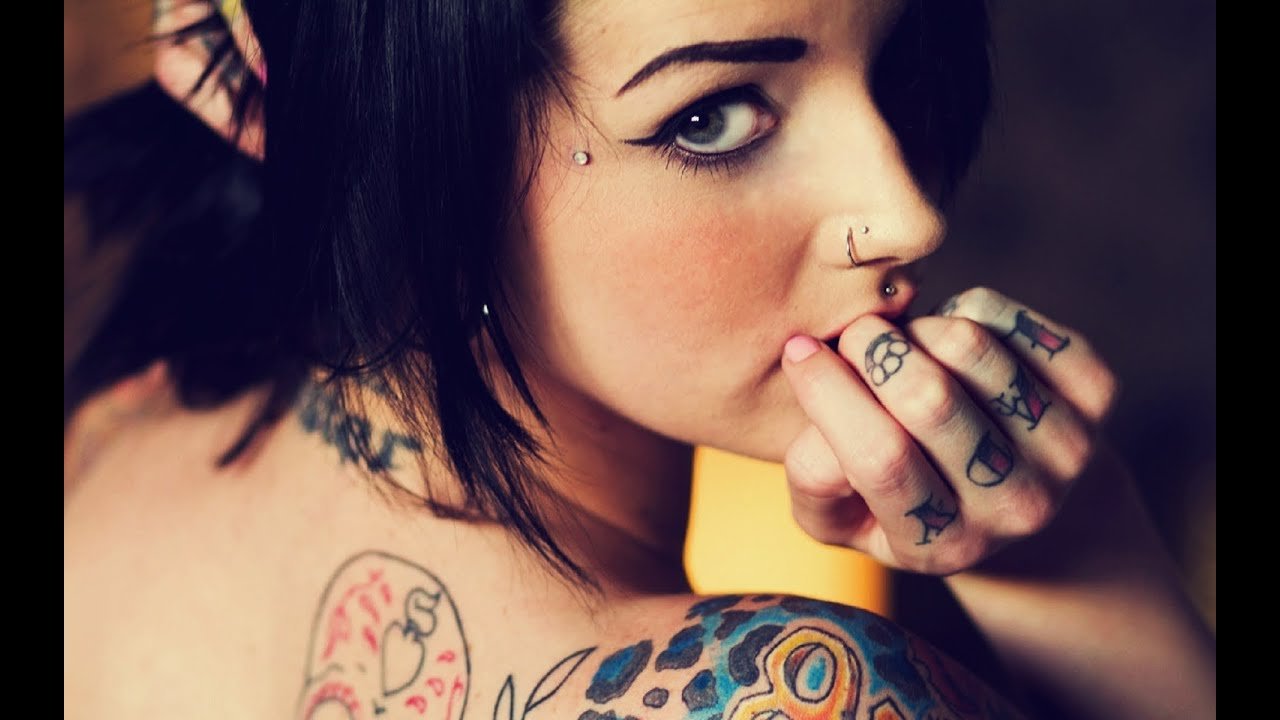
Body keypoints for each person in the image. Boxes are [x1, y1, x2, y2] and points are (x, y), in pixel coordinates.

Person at [63, 0, 1215, 718]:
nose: (905, 213)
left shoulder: (114, 440)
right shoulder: (783, 696)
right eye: (712, 118)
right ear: (387, 131)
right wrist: (1084, 573)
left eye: (894, 55)